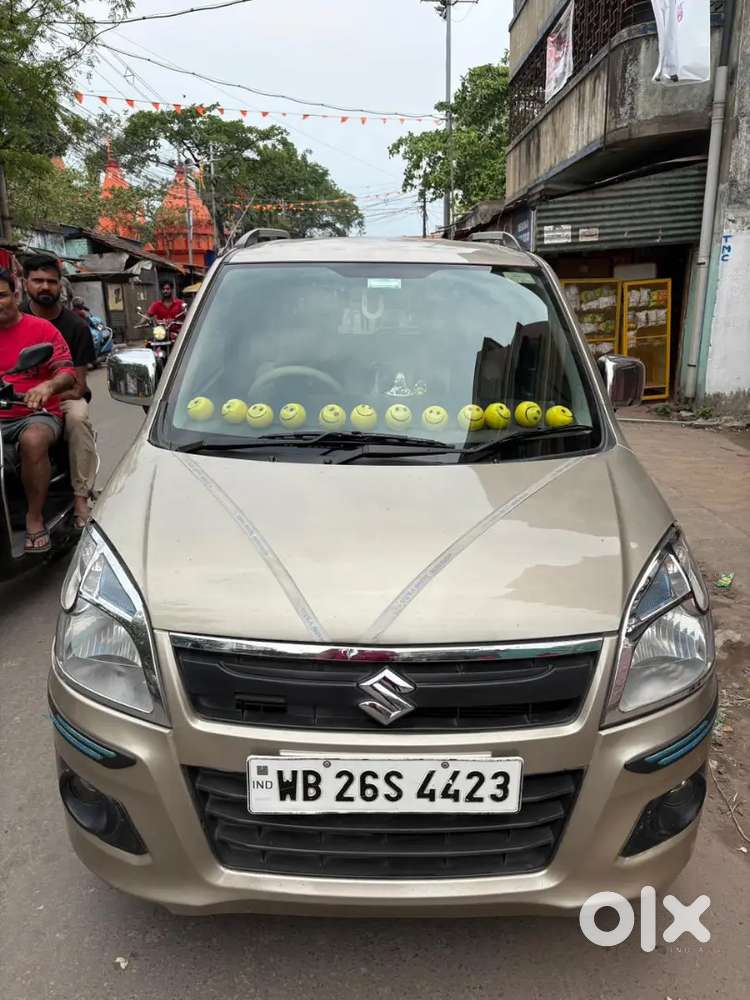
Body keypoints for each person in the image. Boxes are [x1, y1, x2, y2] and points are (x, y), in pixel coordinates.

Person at [0, 267, 76, 552]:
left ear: (16, 294)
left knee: (33, 440)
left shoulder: (41, 329)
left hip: (33, 415)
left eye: (2, 296)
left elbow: (67, 372)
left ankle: (34, 518)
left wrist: (47, 387)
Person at [22, 255, 97, 529]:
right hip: (14, 399)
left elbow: (79, 387)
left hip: (62, 399)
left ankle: (80, 498)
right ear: (24, 283)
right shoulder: (12, 320)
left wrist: (43, 394)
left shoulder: (75, 327)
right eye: (38, 281)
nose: (45, 287)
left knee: (78, 420)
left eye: (51, 282)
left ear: (60, 286)